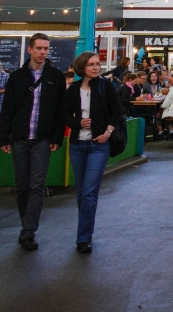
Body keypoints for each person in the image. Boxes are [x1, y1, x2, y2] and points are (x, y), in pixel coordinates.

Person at [0, 33, 68, 251]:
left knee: (37, 185)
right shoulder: (17, 77)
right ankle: (26, 225)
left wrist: (56, 137)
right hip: (20, 137)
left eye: (46, 49)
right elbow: (8, 109)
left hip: (42, 138)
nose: (42, 52)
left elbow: (60, 111)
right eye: (39, 48)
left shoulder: (55, 77)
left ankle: (28, 231)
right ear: (29, 49)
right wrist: (5, 137)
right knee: (22, 186)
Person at [64, 51, 122, 253]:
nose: (96, 67)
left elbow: (117, 111)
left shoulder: (105, 86)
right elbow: (64, 115)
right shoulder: (72, 90)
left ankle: (83, 238)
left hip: (99, 145)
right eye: (91, 64)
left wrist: (108, 131)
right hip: (78, 145)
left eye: (98, 64)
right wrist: (77, 122)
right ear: (82, 67)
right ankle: (85, 231)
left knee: (89, 191)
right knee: (81, 193)